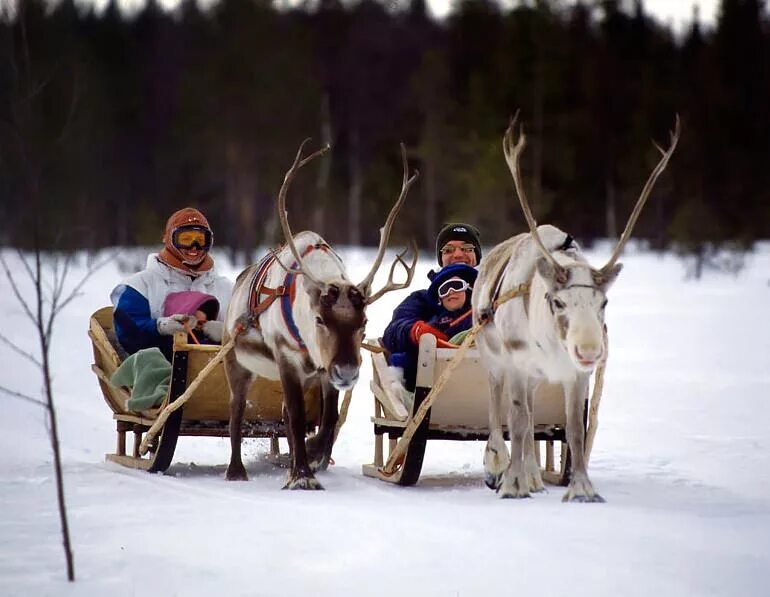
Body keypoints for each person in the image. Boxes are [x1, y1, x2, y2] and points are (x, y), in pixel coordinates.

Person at [110, 207, 232, 362]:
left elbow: (253, 334)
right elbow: (129, 334)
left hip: (219, 372)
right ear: (169, 239)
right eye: (186, 239)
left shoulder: (227, 288)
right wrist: (161, 327)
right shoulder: (139, 285)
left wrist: (226, 332)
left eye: (201, 240)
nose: (194, 247)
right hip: (161, 370)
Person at [382, 223, 482, 391]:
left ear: (477, 256)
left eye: (467, 248)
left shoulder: (496, 296)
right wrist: (416, 331)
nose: (458, 254)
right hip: (434, 391)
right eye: (448, 250)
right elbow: (392, 332)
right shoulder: (423, 299)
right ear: (440, 258)